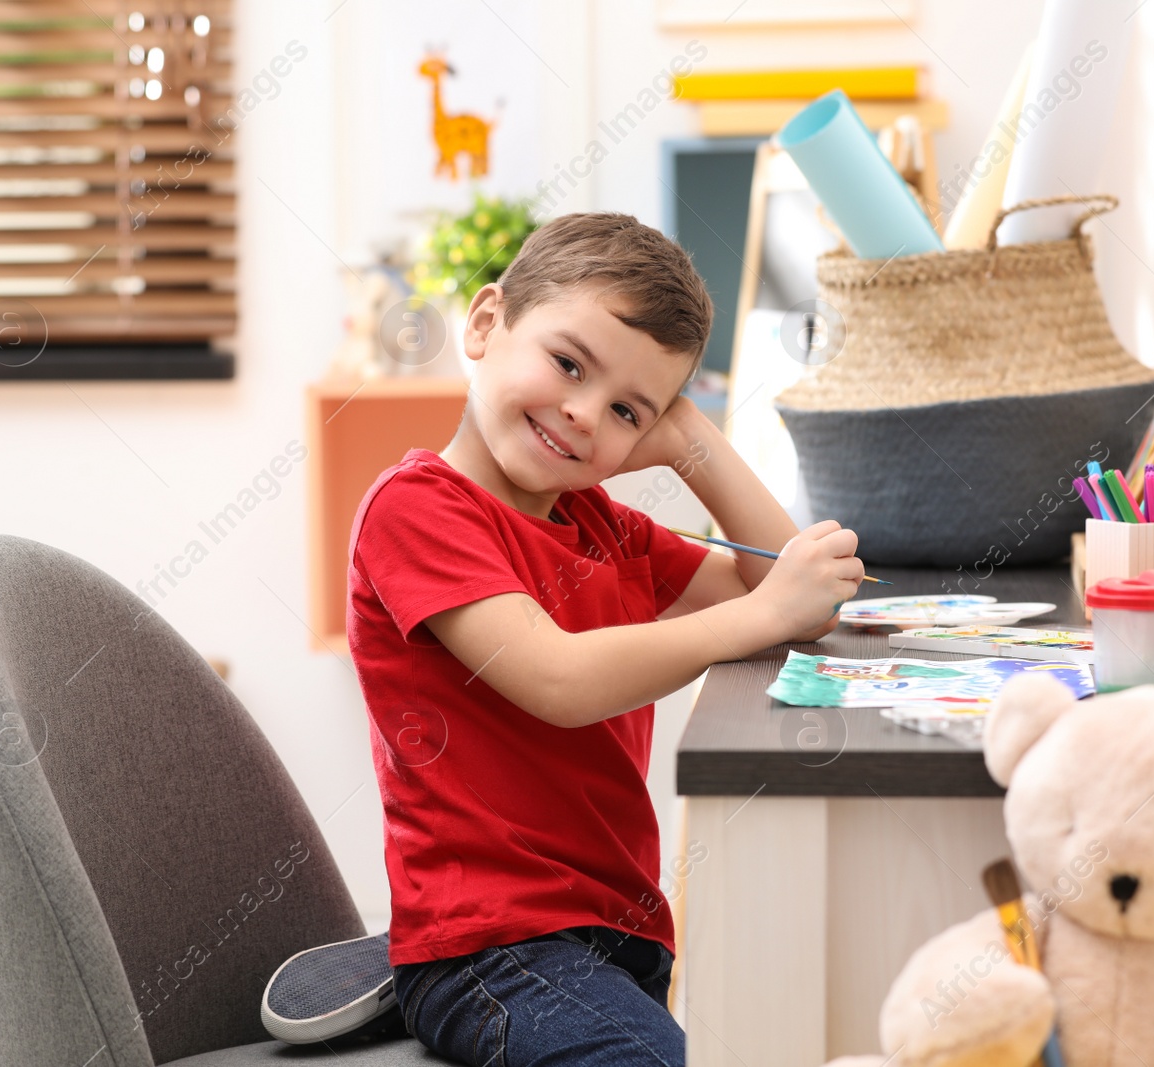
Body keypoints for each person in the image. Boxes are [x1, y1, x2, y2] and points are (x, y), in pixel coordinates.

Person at [347, 211, 863, 1066]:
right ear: (484, 324)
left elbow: (787, 588)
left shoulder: (599, 525)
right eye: (567, 363)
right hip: (491, 948)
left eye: (627, 409)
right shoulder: (418, 507)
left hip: (616, 938)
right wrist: (764, 612)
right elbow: (556, 677)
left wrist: (692, 439)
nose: (585, 413)